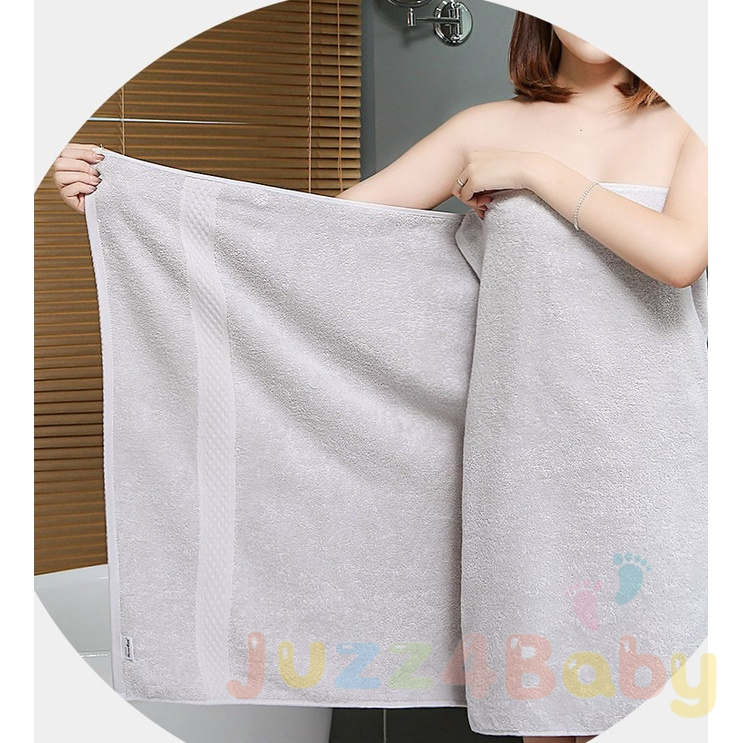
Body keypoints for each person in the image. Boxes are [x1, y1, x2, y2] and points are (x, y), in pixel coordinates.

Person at [52, 12, 707, 743]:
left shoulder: (692, 123)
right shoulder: (483, 128)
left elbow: (680, 256)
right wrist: (124, 202)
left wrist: (535, 173)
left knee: (672, 702)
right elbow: (316, 240)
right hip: (524, 466)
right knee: (547, 710)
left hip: (664, 456)